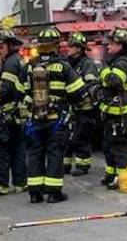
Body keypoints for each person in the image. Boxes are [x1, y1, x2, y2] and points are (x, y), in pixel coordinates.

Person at [24, 27, 85, 203]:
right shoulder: (63, 66)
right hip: (55, 121)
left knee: (35, 154)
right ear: (56, 46)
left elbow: (21, 90)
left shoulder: (30, 65)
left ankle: (35, 193)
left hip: (34, 120)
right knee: (54, 154)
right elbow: (78, 92)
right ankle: (53, 193)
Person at [0, 27, 28, 197]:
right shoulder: (18, 60)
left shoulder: (10, 63)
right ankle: (20, 182)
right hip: (15, 115)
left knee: (1, 149)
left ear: (10, 45)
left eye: (1, 47)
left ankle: (0, 183)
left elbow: (5, 91)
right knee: (17, 149)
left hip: (4, 116)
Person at [99, 28, 127, 189]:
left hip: (120, 114)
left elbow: (114, 81)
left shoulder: (123, 63)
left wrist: (103, 70)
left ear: (120, 46)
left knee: (121, 147)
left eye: (111, 45)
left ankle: (124, 178)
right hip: (112, 112)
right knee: (109, 145)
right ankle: (112, 175)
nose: (108, 47)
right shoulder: (117, 61)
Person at [63, 32, 100, 176]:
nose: (68, 48)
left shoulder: (87, 64)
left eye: (71, 46)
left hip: (84, 108)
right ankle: (64, 165)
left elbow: (91, 85)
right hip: (69, 108)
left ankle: (82, 165)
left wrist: (80, 96)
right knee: (65, 137)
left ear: (79, 48)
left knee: (81, 137)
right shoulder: (67, 63)